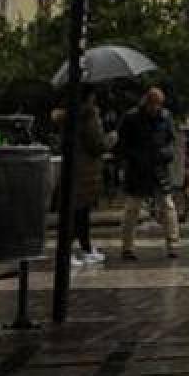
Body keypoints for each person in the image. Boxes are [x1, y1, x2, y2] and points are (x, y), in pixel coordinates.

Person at [118, 87, 180, 259]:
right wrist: (135, 158)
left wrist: (166, 154)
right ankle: (127, 247)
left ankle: (173, 245)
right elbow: (123, 144)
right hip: (138, 169)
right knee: (132, 209)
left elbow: (171, 141)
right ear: (146, 102)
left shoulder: (165, 117)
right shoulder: (131, 118)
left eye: (158, 105)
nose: (155, 108)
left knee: (168, 207)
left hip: (158, 167)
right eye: (153, 104)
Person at [68, 85, 111, 265]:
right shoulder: (90, 114)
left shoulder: (71, 113)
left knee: (80, 211)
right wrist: (112, 137)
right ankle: (74, 250)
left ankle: (85, 248)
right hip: (86, 169)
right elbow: (97, 143)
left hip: (76, 167)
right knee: (79, 211)